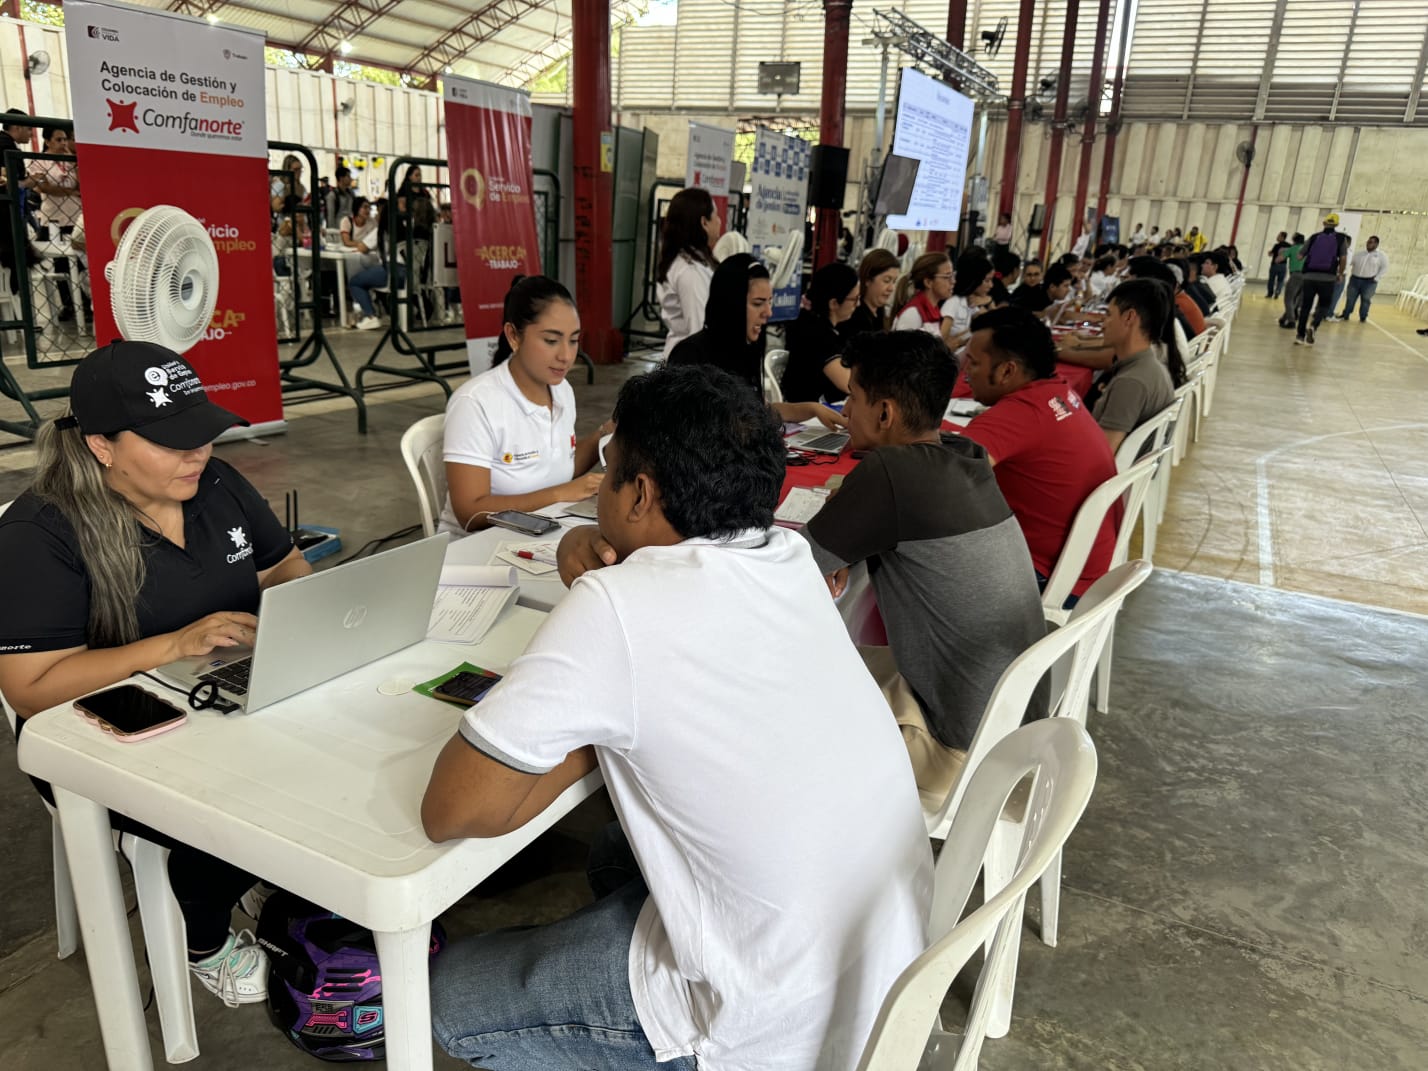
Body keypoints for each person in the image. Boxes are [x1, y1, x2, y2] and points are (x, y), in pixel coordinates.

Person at [422, 363, 932, 1071]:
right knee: (611, 852)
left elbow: (452, 808)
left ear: (640, 493)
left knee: (446, 998)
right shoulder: (787, 554)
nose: (597, 486)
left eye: (607, 470)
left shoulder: (617, 609)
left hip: (760, 1018)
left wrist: (598, 644)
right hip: (875, 965)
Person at [0, 341, 314, 1006]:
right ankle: (204, 932)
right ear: (102, 446)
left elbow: (288, 569)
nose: (195, 453)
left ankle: (248, 869)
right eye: (171, 441)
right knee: (252, 796)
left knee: (330, 754)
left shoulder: (217, 484)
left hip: (221, 692)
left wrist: (299, 631)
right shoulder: (43, 530)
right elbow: (28, 688)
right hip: (101, 730)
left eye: (201, 433)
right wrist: (170, 645)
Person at [799, 330, 1046, 806]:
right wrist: (855, 531)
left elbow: (800, 567)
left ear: (886, 413)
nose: (846, 412)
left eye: (853, 398)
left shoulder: (889, 475)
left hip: (956, 750)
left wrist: (848, 530)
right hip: (1014, 731)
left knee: (779, 701)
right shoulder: (965, 454)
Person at [958, 307, 1120, 605]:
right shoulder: (1057, 392)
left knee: (907, 549)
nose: (966, 371)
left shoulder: (1021, 413)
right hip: (1086, 567)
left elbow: (939, 482)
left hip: (1053, 577)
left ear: (1007, 370)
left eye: (975, 363)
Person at [440, 276, 609, 534]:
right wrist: (562, 494)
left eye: (573, 340)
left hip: (541, 534)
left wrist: (603, 434)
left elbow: (557, 467)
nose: (565, 356)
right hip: (476, 549)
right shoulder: (475, 404)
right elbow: (470, 512)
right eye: (551, 341)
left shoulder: (562, 391)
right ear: (513, 336)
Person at [670, 254, 846, 429]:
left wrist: (813, 409)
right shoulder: (691, 355)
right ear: (731, 304)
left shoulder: (745, 349)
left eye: (770, 302)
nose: (768, 312)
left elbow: (760, 409)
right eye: (758, 303)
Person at [1089, 279, 1181, 455]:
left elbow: (1101, 455)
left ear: (1129, 317)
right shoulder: (1151, 367)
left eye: (1109, 315)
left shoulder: (1131, 383)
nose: (1103, 323)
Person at [780, 261, 858, 404]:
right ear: (833, 303)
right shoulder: (815, 333)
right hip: (807, 416)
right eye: (854, 299)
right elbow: (848, 383)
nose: (857, 305)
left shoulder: (818, 325)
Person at [26, 126, 83, 323]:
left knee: (82, 262)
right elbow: (44, 187)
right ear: (48, 141)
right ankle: (69, 304)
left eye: (65, 139)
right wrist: (68, 191)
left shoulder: (71, 160)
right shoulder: (39, 161)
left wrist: (74, 162)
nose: (63, 144)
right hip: (53, 218)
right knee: (61, 263)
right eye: (58, 140)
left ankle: (84, 302)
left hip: (75, 217)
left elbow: (80, 185)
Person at [654, 188, 718, 359]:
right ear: (704, 222)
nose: (719, 222)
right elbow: (699, 328)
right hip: (689, 364)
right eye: (716, 216)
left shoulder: (694, 261)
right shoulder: (689, 272)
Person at [1295, 213, 1349, 346]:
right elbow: (1343, 258)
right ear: (1336, 225)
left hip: (1309, 277)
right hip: (1328, 278)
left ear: (1324, 223)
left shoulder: (1314, 237)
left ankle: (1300, 336)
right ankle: (1313, 326)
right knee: (1324, 305)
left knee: (1306, 306)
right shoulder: (1341, 239)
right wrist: (1340, 273)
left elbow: (1299, 256)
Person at [839, 248, 901, 338]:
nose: (891, 288)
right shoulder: (854, 317)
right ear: (868, 280)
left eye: (894, 281)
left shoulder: (880, 312)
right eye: (886, 280)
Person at [891, 251, 953, 338]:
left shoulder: (934, 310)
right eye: (947, 277)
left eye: (952, 276)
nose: (953, 282)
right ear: (928, 282)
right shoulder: (913, 314)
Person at [941, 252, 995, 350]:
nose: (991, 285)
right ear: (975, 280)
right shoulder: (954, 302)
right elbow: (941, 341)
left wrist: (990, 302)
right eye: (987, 281)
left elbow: (992, 323)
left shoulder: (969, 302)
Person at [1336, 235, 1389, 324]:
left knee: (1365, 300)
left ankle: (1363, 317)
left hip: (1370, 282)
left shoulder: (1381, 255)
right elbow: (1349, 263)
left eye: (1371, 242)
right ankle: (1346, 314)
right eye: (1368, 242)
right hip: (1355, 280)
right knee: (1350, 298)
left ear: (1376, 244)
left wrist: (1377, 278)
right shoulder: (1359, 253)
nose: (1368, 244)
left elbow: (1384, 268)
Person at [1277, 232, 1307, 329]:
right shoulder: (1308, 250)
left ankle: (1291, 321)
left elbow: (1279, 259)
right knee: (1295, 299)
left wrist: (1281, 253)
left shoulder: (1292, 249)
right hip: (1306, 276)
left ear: (1294, 240)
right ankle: (1284, 318)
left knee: (1288, 299)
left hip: (1295, 275)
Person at [325, 165, 355, 232]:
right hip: (338, 229)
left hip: (350, 229)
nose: (351, 179)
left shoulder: (351, 194)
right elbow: (330, 217)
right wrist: (332, 232)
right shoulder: (332, 196)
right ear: (341, 178)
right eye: (348, 176)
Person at [1266, 232, 1289, 299]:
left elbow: (1271, 254)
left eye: (1279, 236)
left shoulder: (1277, 245)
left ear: (1282, 237)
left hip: (1275, 265)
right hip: (1283, 265)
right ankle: (1277, 292)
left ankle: (1270, 293)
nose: (1277, 237)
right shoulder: (1289, 245)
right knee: (1280, 280)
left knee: (1271, 280)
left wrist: (1270, 252)